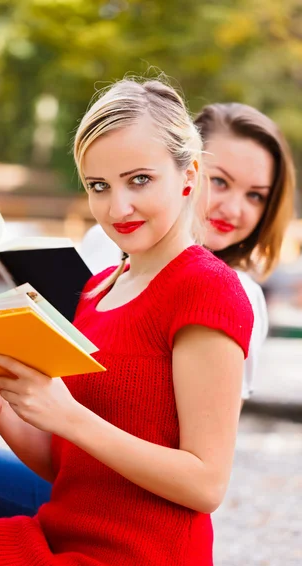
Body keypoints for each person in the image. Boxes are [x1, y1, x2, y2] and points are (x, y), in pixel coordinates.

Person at [0, 77, 253, 566]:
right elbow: (67, 463)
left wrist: (69, 415)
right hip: (60, 536)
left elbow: (206, 485)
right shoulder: (98, 288)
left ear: (188, 175)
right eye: (99, 186)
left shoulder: (209, 292)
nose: (117, 208)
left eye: (139, 180)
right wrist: (1, 405)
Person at [81, 101, 295, 400]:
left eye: (255, 196)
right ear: (186, 172)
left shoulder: (236, 294)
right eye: (219, 182)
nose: (233, 209)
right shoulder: (102, 244)